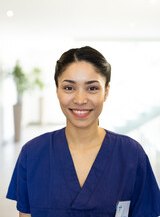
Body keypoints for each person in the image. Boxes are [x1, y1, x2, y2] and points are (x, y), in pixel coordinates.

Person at [6, 46, 160, 217]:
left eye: (92, 88)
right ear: (57, 90)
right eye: (69, 88)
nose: (80, 100)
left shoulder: (131, 155)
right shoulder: (33, 153)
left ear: (106, 92)